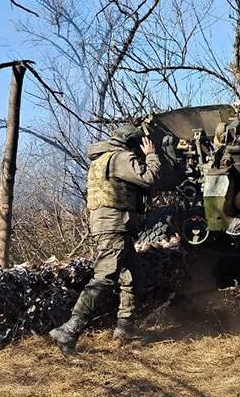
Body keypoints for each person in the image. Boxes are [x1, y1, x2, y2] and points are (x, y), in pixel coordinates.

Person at [50, 124, 161, 355]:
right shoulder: (121, 158)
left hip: (113, 224)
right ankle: (70, 330)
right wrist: (151, 156)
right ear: (130, 143)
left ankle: (125, 328)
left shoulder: (101, 159)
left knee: (131, 276)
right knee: (105, 277)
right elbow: (148, 178)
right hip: (114, 225)